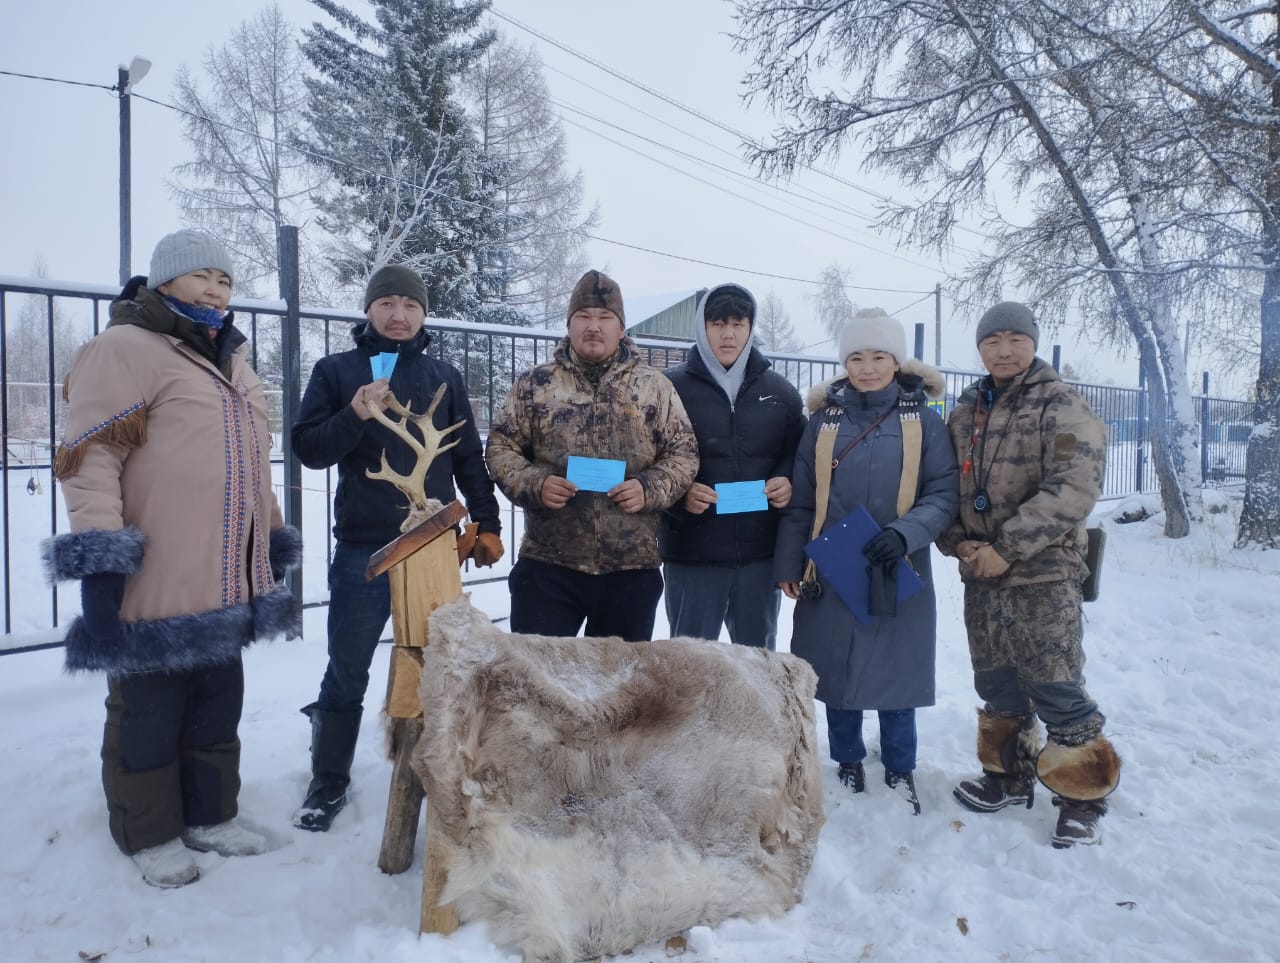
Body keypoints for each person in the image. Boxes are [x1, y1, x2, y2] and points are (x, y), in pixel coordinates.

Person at [42, 229, 303, 888]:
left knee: (218, 703)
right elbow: (90, 457)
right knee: (151, 712)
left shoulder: (233, 363)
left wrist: (268, 543)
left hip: (225, 576)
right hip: (154, 575)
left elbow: (255, 473)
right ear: (163, 282)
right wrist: (100, 561)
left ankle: (212, 816)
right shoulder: (124, 350)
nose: (217, 289)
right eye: (202, 276)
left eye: (226, 280)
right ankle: (149, 832)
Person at [290, 264, 503, 832]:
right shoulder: (336, 371)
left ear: (423, 313)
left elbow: (467, 456)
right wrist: (356, 411)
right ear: (368, 310)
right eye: (386, 302)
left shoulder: (443, 375)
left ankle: (441, 770)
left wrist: (487, 521)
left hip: (433, 547)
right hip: (367, 546)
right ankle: (328, 779)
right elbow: (309, 448)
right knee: (349, 665)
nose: (398, 314)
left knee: (440, 663)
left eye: (410, 304)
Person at [937, 301, 1120, 848]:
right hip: (981, 573)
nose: (1004, 350)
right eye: (993, 341)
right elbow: (944, 486)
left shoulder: (1062, 405)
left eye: (1016, 339)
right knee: (996, 682)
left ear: (1033, 343)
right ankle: (1008, 777)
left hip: (1043, 572)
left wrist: (1008, 547)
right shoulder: (965, 410)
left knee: (1055, 681)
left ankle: (1083, 794)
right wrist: (959, 541)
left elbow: (1074, 487)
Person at [775, 310, 958, 814]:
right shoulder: (824, 422)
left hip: (898, 562)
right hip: (833, 565)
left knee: (897, 668)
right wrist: (790, 564)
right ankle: (848, 760)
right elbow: (803, 499)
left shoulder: (922, 420)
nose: (867, 366)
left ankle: (901, 766)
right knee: (838, 669)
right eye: (856, 356)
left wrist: (905, 534)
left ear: (897, 362)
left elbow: (943, 493)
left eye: (878, 356)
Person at [486, 268, 699, 642]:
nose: (593, 327)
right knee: (540, 687)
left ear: (621, 328)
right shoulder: (536, 384)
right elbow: (501, 446)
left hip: (631, 568)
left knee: (617, 694)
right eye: (583, 317)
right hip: (549, 565)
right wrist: (536, 484)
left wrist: (648, 489)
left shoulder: (654, 387)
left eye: (605, 318)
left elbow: (683, 454)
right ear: (569, 325)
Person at [659, 282, 805, 649]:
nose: (728, 334)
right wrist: (680, 495)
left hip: (757, 557)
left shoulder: (781, 393)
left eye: (738, 324)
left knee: (757, 666)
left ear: (750, 328)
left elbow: (798, 454)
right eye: (718, 323)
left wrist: (787, 479)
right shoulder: (668, 389)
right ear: (702, 328)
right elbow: (647, 458)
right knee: (690, 668)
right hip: (692, 555)